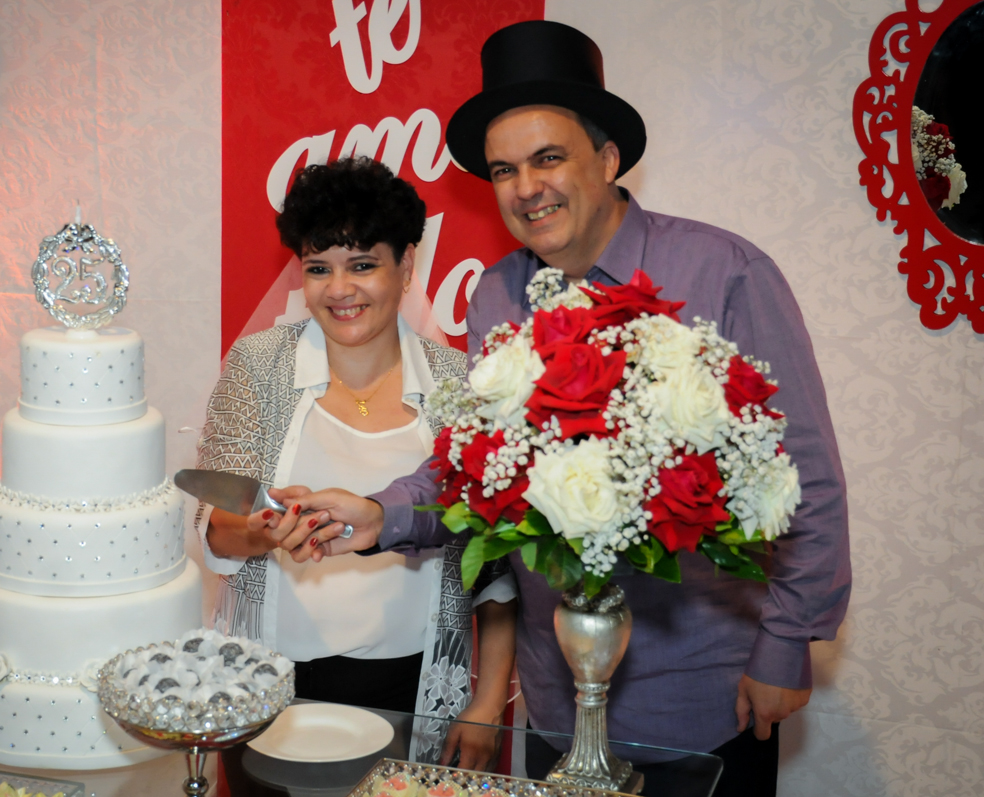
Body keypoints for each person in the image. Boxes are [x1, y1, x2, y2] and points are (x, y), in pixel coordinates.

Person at [276, 21, 851, 795]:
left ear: (608, 158)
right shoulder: (496, 297)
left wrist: (787, 641)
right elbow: (476, 468)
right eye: (504, 168)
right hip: (555, 703)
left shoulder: (724, 271)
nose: (525, 187)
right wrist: (381, 514)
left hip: (702, 691)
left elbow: (804, 470)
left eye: (549, 158)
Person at [194, 157, 517, 768]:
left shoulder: (458, 385)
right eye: (319, 269)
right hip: (270, 685)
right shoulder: (259, 364)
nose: (339, 289)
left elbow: (494, 563)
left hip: (416, 686)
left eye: (363, 264)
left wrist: (489, 701)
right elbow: (215, 524)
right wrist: (264, 531)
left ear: (406, 266)